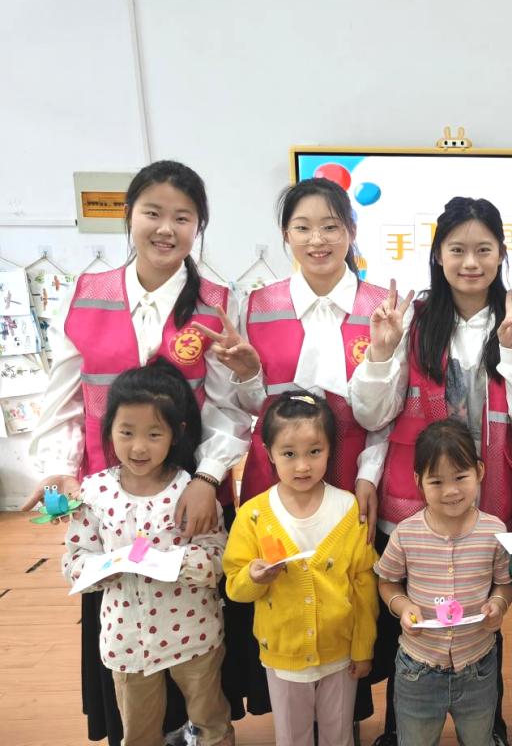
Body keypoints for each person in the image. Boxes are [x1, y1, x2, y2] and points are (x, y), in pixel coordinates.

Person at [28, 159, 251, 743]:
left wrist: (207, 477)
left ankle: (201, 728)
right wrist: (58, 469)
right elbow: (64, 396)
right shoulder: (86, 294)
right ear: (129, 216)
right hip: (108, 497)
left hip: (188, 496)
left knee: (195, 620)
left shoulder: (217, 302)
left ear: (198, 227)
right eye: (153, 213)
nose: (166, 229)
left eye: (183, 218)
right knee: (122, 616)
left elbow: (228, 405)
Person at [350, 196, 512, 745]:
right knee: (411, 620)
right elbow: (372, 414)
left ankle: (486, 727)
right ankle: (402, 728)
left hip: (489, 503)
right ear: (438, 255)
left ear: (501, 254)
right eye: (457, 249)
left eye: (483, 250)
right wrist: (380, 352)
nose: (471, 262)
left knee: (483, 614)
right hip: (416, 502)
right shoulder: (413, 322)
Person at [197, 177, 389, 724]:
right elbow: (247, 407)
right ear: (285, 235)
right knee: (278, 584)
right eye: (302, 227)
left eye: (331, 226)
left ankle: (343, 720)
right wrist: (248, 374)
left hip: (351, 476)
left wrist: (369, 476)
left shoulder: (381, 306)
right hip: (275, 478)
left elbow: (387, 414)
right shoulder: (258, 305)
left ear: (351, 230)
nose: (317, 239)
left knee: (347, 586)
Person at [62, 360, 234, 746]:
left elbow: (217, 555)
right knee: (138, 733)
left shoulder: (191, 490)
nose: (138, 447)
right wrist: (98, 570)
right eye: (126, 432)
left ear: (176, 434)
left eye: (154, 434)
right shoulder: (94, 492)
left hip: (193, 634)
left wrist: (176, 563)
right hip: (126, 640)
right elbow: (74, 560)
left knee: (210, 722)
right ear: (109, 429)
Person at [223, 391, 378, 746]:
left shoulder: (349, 509)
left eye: (314, 452)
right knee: (292, 737)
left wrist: (362, 647)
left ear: (330, 450)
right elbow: (235, 585)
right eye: (289, 454)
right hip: (283, 655)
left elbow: (363, 584)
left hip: (340, 654)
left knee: (339, 735)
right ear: (269, 454)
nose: (303, 466)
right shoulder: (254, 515)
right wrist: (254, 578)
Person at [375, 419, 512, 746]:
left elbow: (505, 582)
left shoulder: (494, 531)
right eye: (436, 481)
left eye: (461, 477)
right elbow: (387, 582)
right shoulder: (406, 533)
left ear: (479, 472)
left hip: (478, 664)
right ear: (418, 482)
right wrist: (403, 606)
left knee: (479, 739)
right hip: (418, 667)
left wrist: (498, 603)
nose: (451, 491)